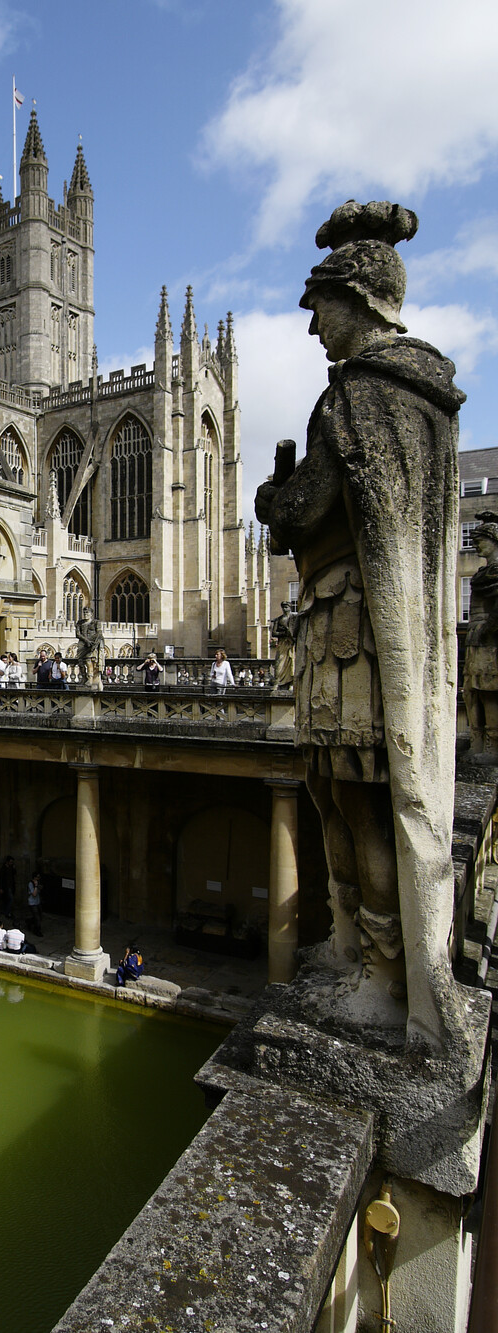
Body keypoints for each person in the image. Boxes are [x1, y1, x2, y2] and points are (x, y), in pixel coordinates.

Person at [255, 199, 465, 1052]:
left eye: (323, 312)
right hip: (359, 630)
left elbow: (307, 507)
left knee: (361, 801)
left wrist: (275, 493)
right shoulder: (424, 397)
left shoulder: (363, 397)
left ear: (361, 300)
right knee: (342, 796)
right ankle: (358, 953)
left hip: (356, 636)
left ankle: (381, 976)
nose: (315, 331)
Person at [462, 519, 498, 765]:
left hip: (489, 640)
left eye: (479, 541)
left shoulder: (495, 572)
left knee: (489, 692)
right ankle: (476, 743)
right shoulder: (484, 572)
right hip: (476, 638)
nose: (475, 547)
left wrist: (487, 629)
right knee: (471, 692)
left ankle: (492, 747)